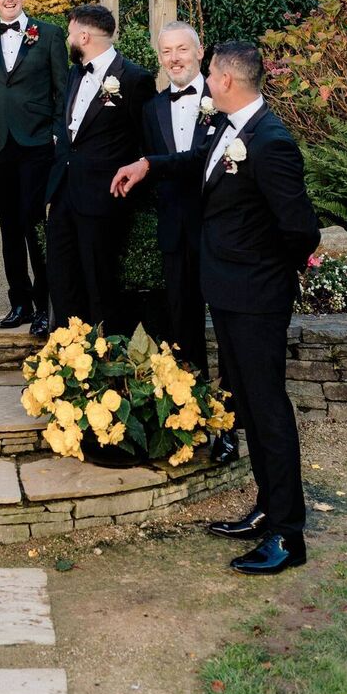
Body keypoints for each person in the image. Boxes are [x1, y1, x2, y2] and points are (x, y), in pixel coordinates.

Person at [111, 41, 320, 575]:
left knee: (269, 411)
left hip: (256, 300)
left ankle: (287, 535)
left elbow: (300, 230)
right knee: (247, 405)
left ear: (226, 81)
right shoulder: (231, 131)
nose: (205, 80)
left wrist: (266, 279)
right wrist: (146, 163)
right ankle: (266, 508)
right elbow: (191, 163)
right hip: (227, 294)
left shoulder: (270, 142)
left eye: (210, 74)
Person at [142, 22, 238, 465]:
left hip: (219, 232)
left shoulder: (223, 101)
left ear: (200, 54)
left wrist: (150, 164)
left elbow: (201, 160)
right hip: (174, 232)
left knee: (228, 332)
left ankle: (230, 425)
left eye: (183, 49)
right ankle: (192, 416)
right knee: (182, 330)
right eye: (167, 51)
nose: (175, 57)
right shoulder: (153, 108)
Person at [46, 3, 156, 332]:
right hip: (64, 192)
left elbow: (144, 143)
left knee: (100, 284)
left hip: (104, 198)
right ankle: (64, 362)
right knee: (62, 280)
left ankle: (104, 363)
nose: (68, 39)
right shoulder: (75, 72)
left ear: (83, 35)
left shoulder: (135, 79)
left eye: (70, 33)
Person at [0, 0, 67, 337]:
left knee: (34, 224)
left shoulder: (49, 35)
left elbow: (62, 89)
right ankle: (19, 303)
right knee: (8, 226)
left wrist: (58, 135)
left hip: (37, 144)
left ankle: (45, 305)